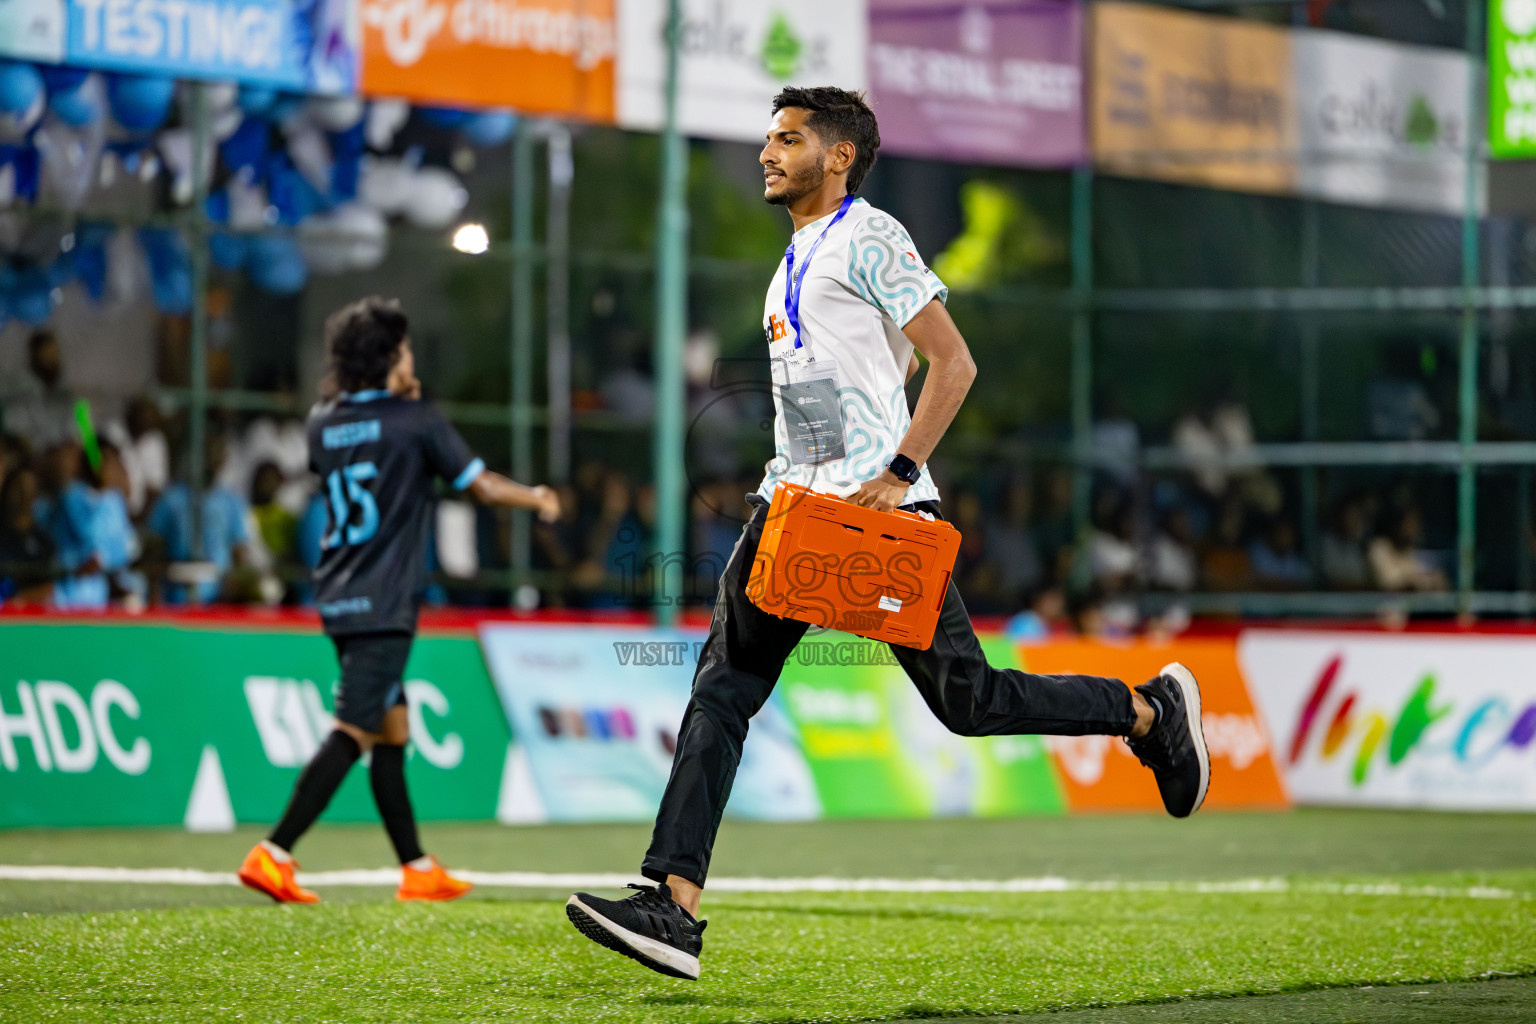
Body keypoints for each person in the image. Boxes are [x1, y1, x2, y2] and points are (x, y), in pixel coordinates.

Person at [563, 87, 1209, 981]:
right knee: (722, 692)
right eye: (767, 138)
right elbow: (884, 365)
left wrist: (897, 469)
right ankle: (672, 908)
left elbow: (953, 360)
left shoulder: (871, 233)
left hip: (878, 518)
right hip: (791, 509)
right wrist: (823, 460)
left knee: (968, 703)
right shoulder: (797, 253)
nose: (766, 152)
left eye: (787, 139)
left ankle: (1145, 711)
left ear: (837, 157)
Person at [238, 296, 561, 905]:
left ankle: (416, 867)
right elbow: (481, 485)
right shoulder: (415, 419)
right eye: (407, 348)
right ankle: (273, 853)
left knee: (391, 730)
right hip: (384, 602)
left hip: (337, 592)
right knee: (354, 731)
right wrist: (538, 498)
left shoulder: (321, 421)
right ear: (390, 357)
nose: (413, 357)